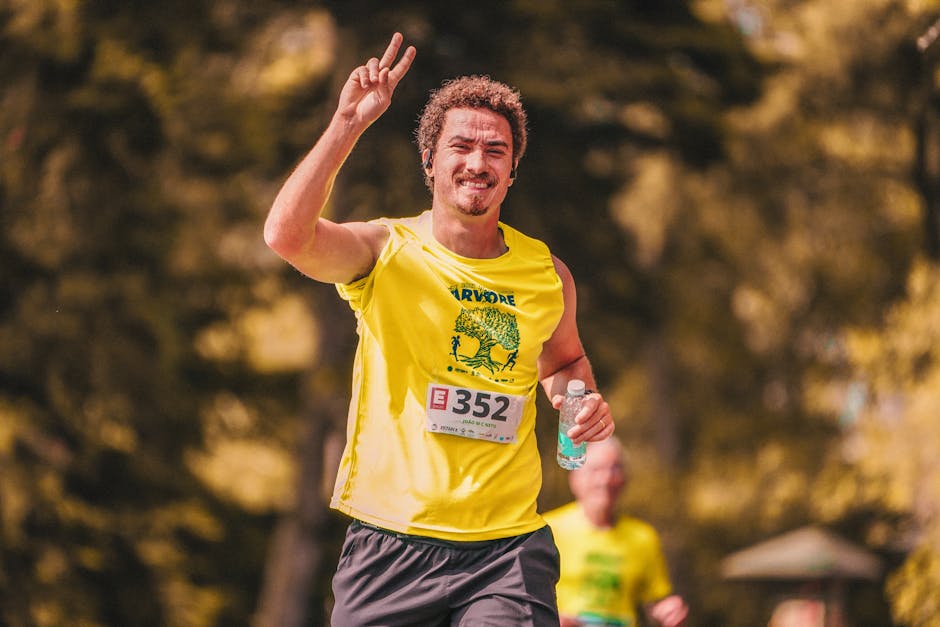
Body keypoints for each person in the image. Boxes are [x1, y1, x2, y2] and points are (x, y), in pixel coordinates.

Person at [264, 32, 614, 626]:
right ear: (430, 161)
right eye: (462, 146)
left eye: (496, 151)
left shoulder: (546, 273)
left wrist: (578, 403)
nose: (478, 162)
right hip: (391, 545)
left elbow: (561, 364)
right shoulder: (383, 250)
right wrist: (346, 125)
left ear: (512, 171)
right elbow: (286, 237)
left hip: (507, 551)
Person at [543, 438, 688, 627]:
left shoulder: (643, 537)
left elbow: (655, 603)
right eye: (595, 470)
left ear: (625, 480)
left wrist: (668, 612)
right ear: (575, 478)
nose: (605, 479)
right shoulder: (548, 529)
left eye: (614, 469)